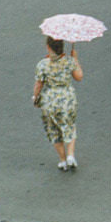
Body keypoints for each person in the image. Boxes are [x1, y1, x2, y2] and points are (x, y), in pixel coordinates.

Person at [33, 36, 83, 172]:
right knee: (70, 126)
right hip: (67, 99)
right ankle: (71, 155)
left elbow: (38, 84)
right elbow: (79, 76)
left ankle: (62, 160)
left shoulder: (42, 64)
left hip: (49, 101)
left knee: (54, 131)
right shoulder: (69, 61)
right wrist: (76, 59)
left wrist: (35, 97)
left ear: (48, 47)